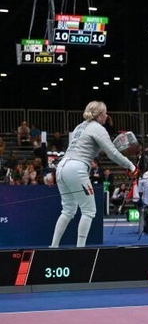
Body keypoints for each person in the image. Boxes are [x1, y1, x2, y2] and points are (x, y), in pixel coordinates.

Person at [51, 101, 137, 248]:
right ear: (99, 114)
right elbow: (112, 153)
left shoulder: (80, 126)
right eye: (105, 112)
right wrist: (131, 166)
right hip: (76, 168)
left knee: (68, 210)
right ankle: (81, 249)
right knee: (89, 210)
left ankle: (53, 247)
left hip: (62, 168)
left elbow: (91, 148)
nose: (107, 115)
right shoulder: (98, 128)